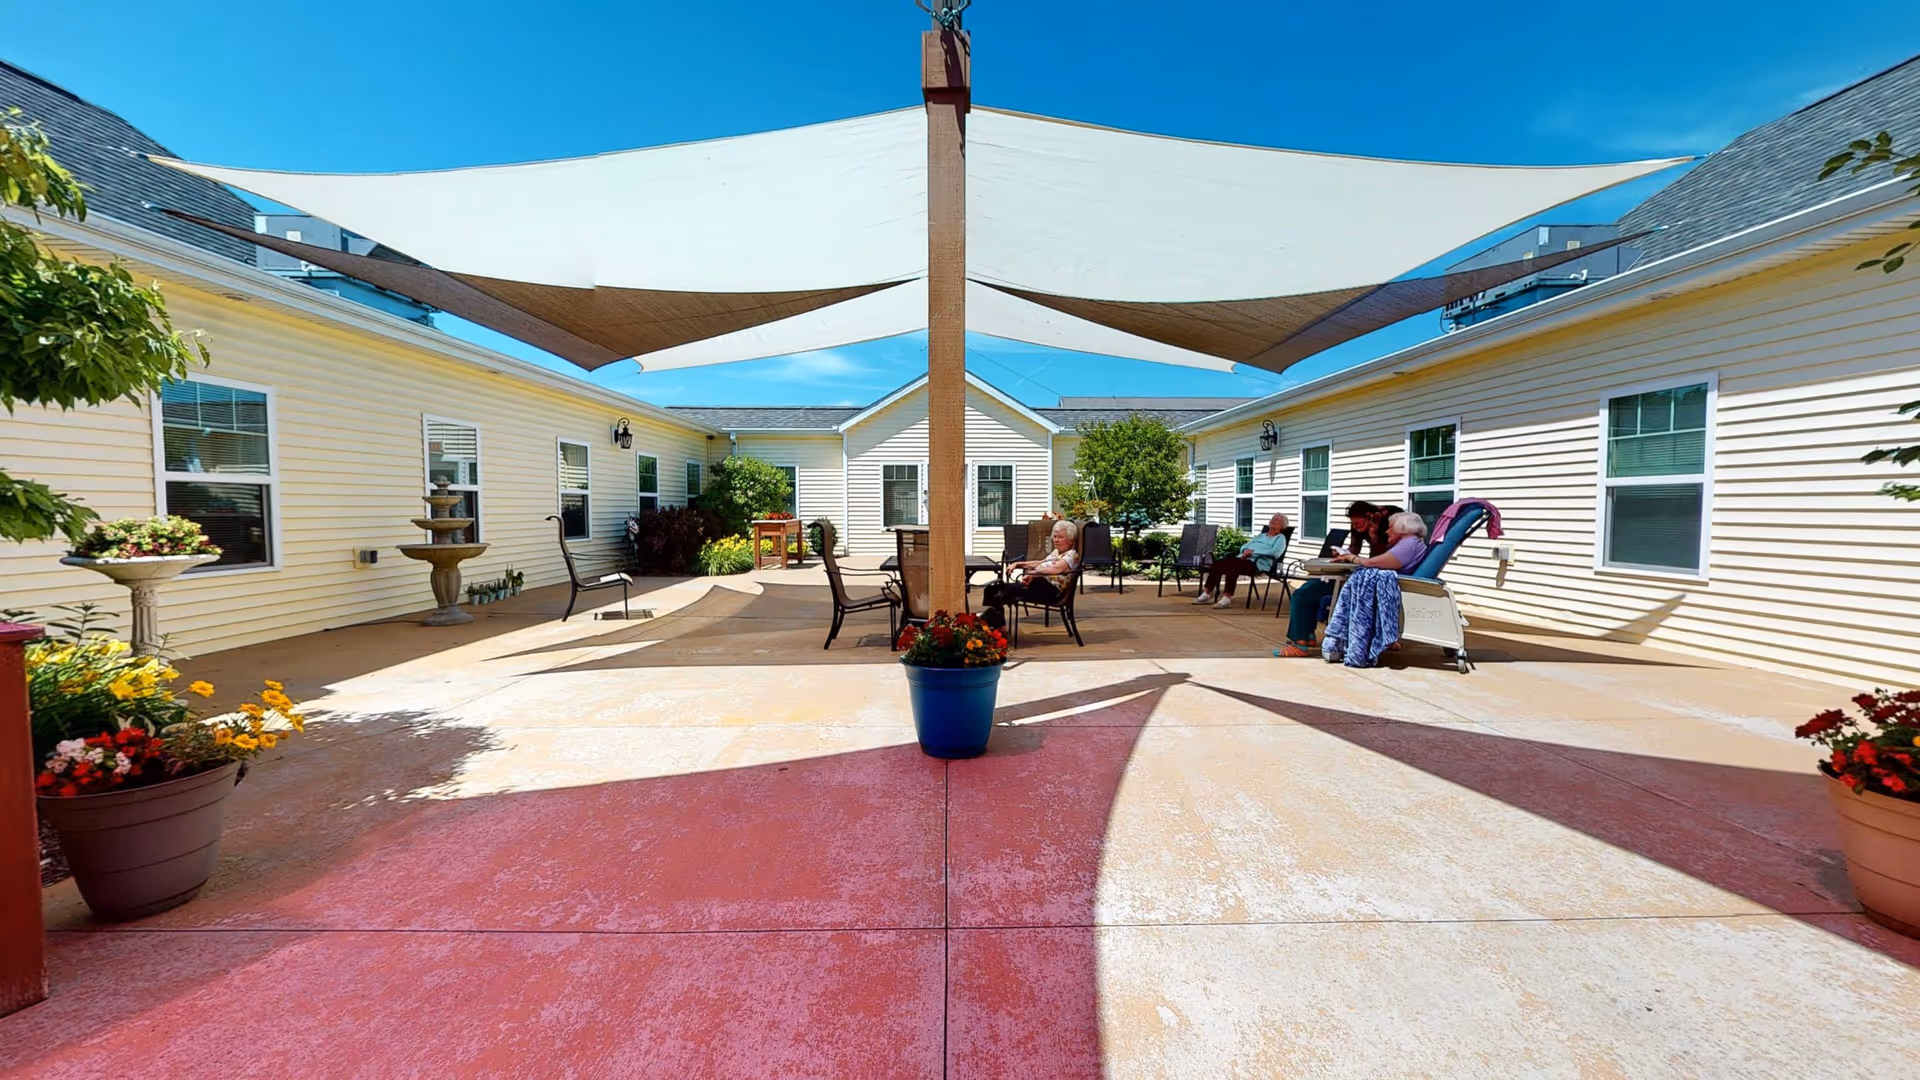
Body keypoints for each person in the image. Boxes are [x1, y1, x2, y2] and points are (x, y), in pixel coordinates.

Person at [1277, 510, 1430, 657]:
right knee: (1315, 588)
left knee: (1304, 593)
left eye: (1391, 528)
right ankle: (1306, 635)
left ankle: (1299, 644)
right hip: (1378, 586)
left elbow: (1371, 563)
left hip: (1371, 589)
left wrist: (1350, 558)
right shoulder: (1412, 544)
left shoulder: (1408, 545)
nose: (1387, 531)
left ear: (1403, 530)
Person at [982, 519, 1080, 629]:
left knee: (1003, 591)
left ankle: (989, 623)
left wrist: (1033, 574)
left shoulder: (1071, 555)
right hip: (1039, 585)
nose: (1056, 540)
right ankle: (994, 624)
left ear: (1071, 540)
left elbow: (1056, 569)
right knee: (992, 589)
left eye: (1061, 537)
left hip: (1052, 591)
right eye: (1055, 536)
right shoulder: (1057, 552)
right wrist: (1018, 564)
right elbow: (1039, 563)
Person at [1194, 513, 1291, 609]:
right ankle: (1207, 593)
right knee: (1218, 564)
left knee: (1233, 566)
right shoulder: (1261, 536)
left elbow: (1275, 552)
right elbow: (1245, 546)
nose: (1273, 521)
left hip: (1257, 563)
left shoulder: (1280, 538)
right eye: (1273, 518)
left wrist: (1253, 553)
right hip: (1243, 559)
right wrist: (1245, 551)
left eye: (1277, 520)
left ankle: (1227, 598)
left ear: (1282, 526)